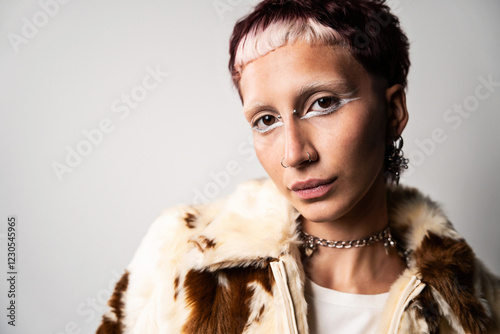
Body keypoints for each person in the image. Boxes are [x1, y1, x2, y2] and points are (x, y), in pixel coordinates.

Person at [96, 0, 500, 333]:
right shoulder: (183, 259)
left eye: (322, 103)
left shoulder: (473, 304)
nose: (294, 154)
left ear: (393, 112)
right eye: (266, 120)